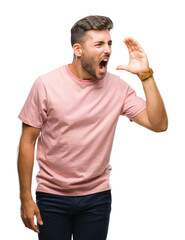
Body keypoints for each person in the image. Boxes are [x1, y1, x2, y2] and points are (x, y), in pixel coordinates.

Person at [17, 15, 168, 240]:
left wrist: (145, 76)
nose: (107, 50)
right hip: (52, 196)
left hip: (97, 197)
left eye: (109, 43)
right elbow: (27, 141)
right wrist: (25, 198)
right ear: (77, 49)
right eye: (98, 44)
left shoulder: (118, 88)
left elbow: (159, 124)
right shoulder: (46, 85)